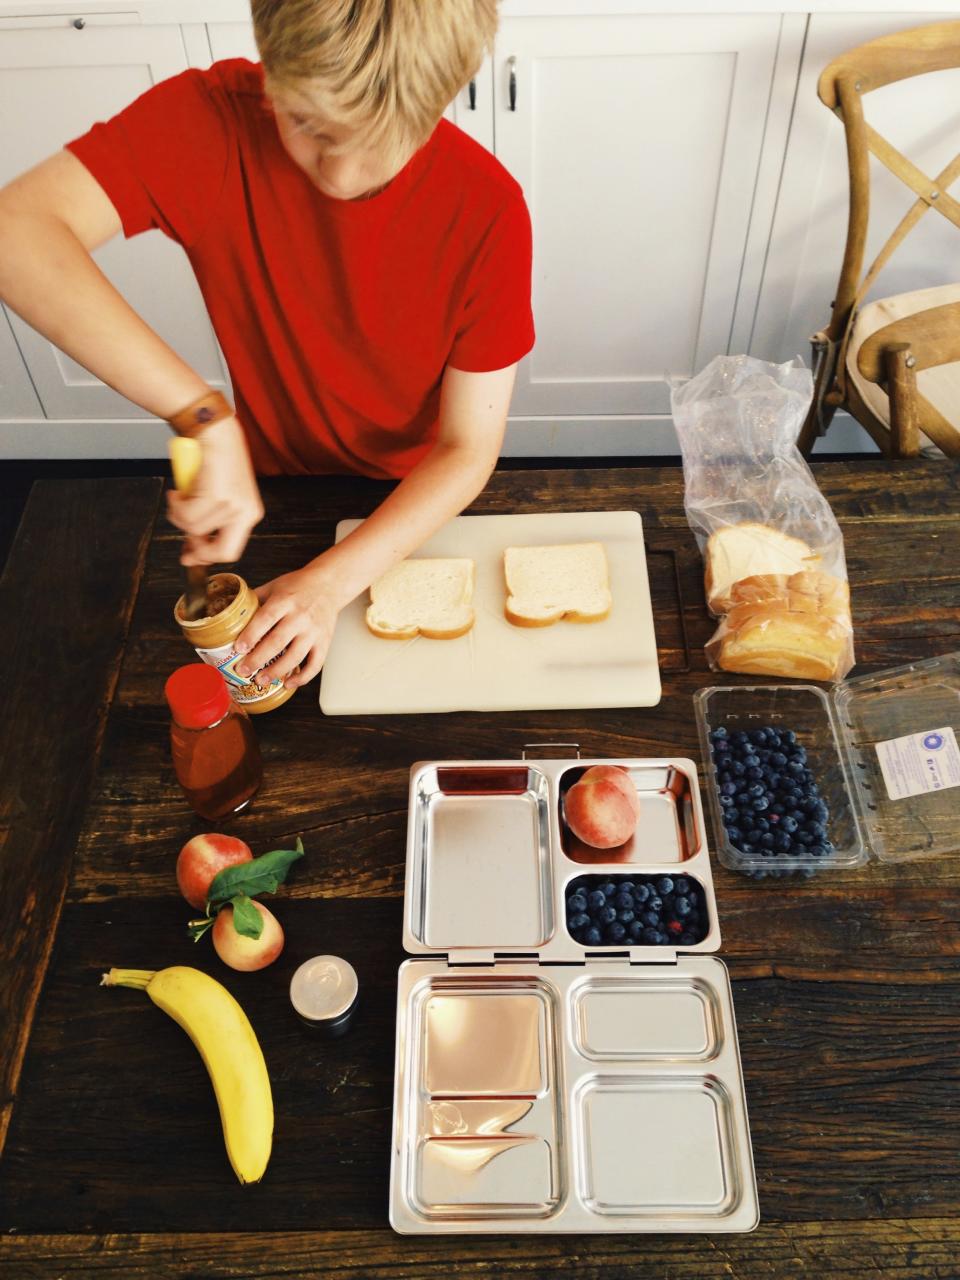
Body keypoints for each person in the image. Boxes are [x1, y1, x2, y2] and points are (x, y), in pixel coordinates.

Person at [0, 0, 534, 690]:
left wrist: (327, 585)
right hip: (277, 485)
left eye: (384, 138)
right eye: (307, 126)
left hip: (419, 502)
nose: (341, 176)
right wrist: (200, 415)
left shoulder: (488, 209)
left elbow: (467, 450)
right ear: (270, 67)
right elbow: (16, 233)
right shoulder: (213, 120)